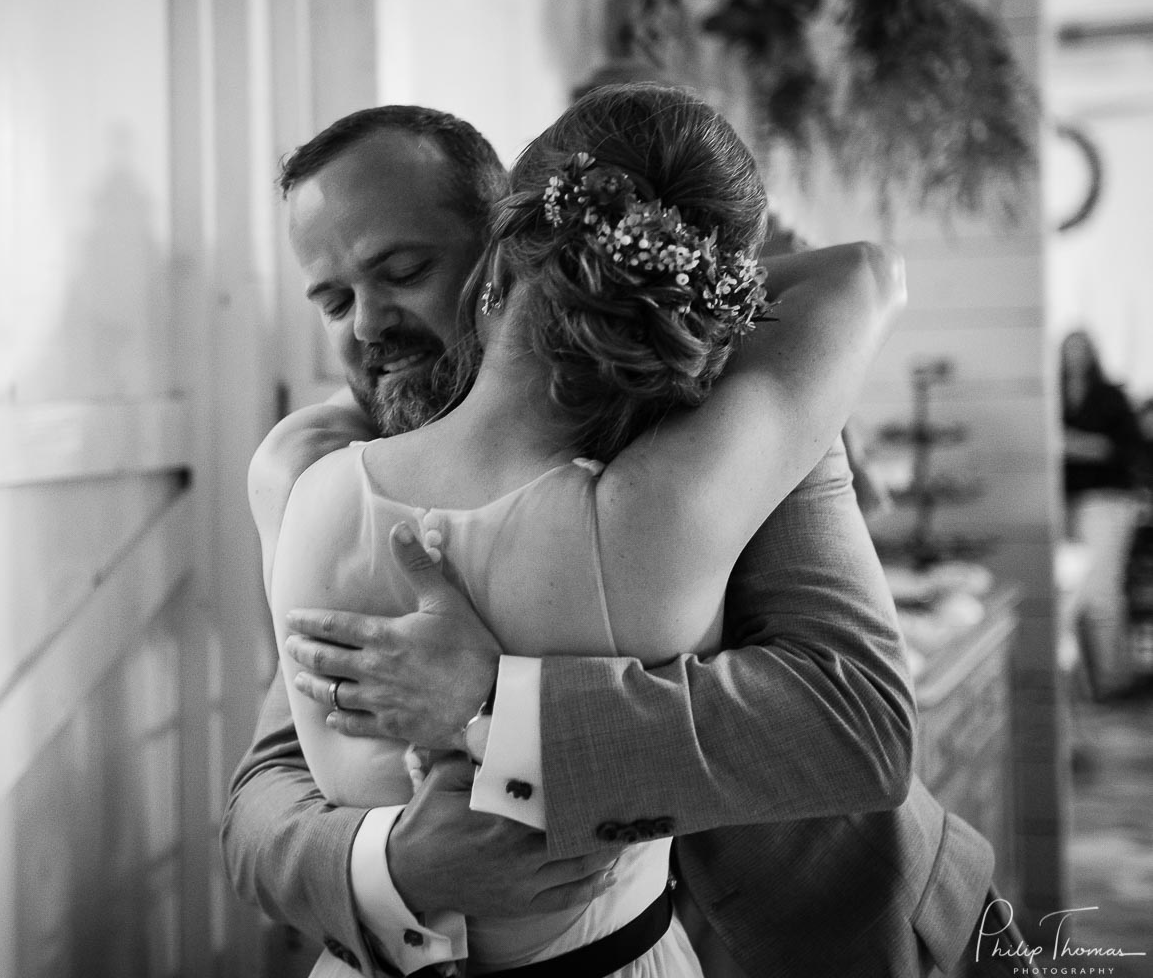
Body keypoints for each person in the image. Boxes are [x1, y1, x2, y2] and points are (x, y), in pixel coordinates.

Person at [223, 100, 1000, 977]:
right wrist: (393, 864)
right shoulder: (335, 474)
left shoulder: (737, 414)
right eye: (333, 300)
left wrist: (491, 705)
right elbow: (265, 797)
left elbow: (852, 720)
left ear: (501, 253)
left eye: (401, 271)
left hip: (824, 935)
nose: (366, 327)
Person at [1061, 329, 1144, 697]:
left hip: (1106, 500)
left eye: (1080, 349)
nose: (1074, 356)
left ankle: (1112, 678)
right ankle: (1096, 680)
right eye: (1068, 349)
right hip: (1070, 502)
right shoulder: (1057, 395)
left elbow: (1126, 450)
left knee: (1101, 590)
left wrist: (1071, 443)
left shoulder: (1109, 397)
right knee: (1077, 590)